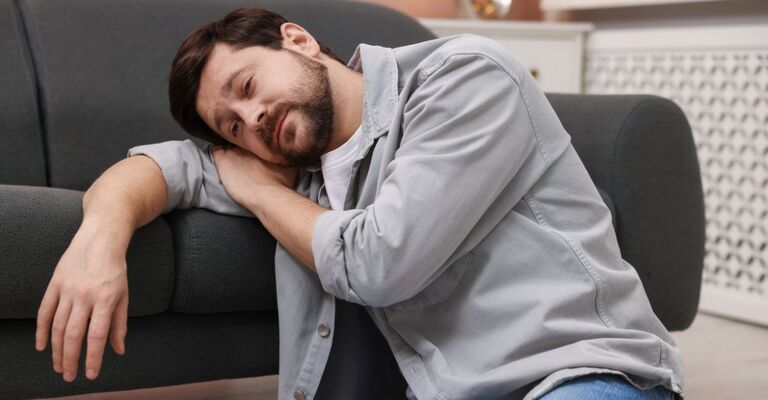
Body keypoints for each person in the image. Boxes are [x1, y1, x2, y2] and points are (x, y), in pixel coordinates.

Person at [34, 7, 685, 400]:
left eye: (247, 85)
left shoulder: (462, 77)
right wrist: (100, 237)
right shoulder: (301, 179)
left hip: (576, 377)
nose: (253, 117)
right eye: (232, 126)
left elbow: (380, 261)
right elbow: (157, 168)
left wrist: (258, 191)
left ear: (297, 39)